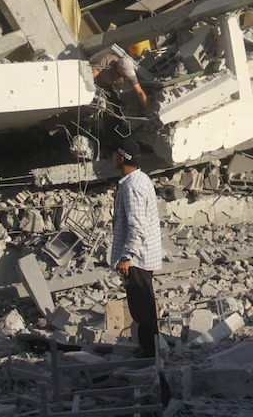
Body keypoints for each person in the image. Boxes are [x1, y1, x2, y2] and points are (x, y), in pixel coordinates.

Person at [111, 140, 162, 358]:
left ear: (121, 158)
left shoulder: (132, 187)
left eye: (113, 155)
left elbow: (136, 225)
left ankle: (150, 353)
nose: (110, 158)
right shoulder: (139, 180)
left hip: (138, 258)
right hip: (141, 254)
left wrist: (126, 256)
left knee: (142, 306)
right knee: (143, 305)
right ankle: (150, 348)